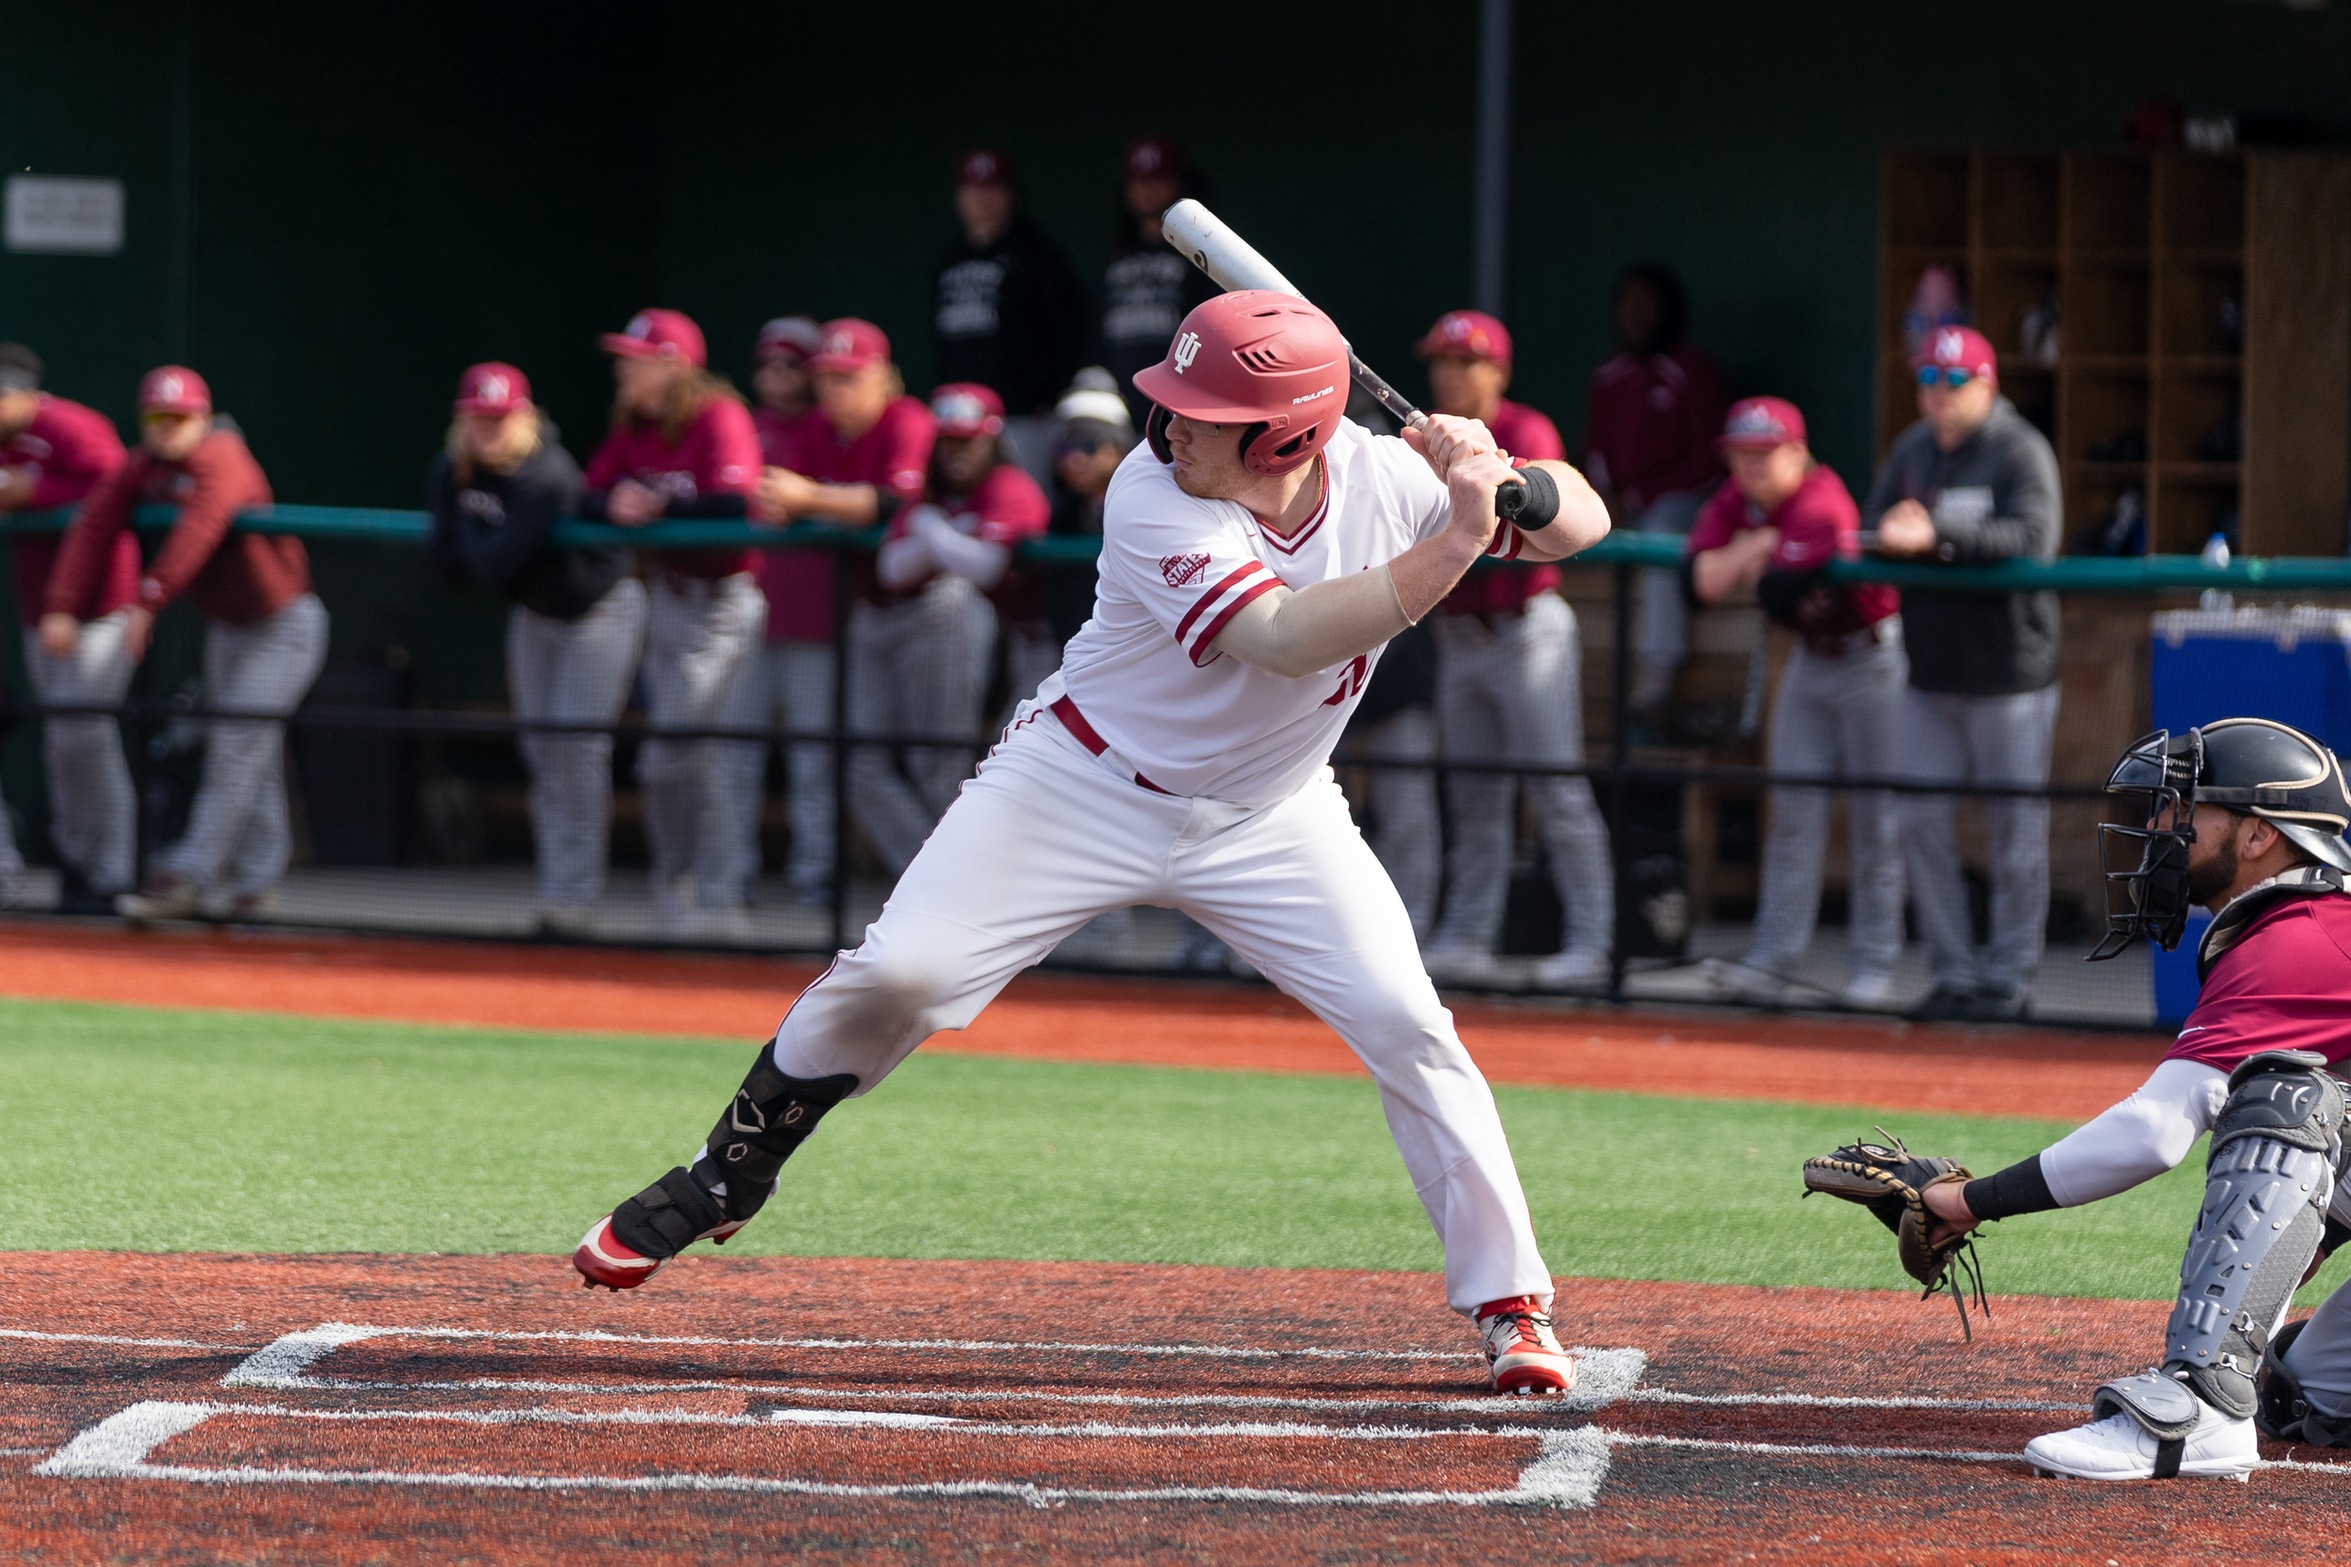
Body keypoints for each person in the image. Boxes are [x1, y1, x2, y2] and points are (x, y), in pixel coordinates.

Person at [572, 291, 1613, 1396]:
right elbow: (1286, 637)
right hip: (1077, 782)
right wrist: (1462, 529)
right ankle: (731, 1168)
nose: (1167, 426)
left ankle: (1509, 1300)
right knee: (902, 972)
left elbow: (1580, 524)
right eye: (1170, 402)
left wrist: (1504, 480)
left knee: (1410, 1023)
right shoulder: (1151, 495)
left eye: (1203, 413)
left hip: (1273, 813)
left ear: (1286, 435)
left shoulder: (1387, 478)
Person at [1909, 719, 2351, 1481]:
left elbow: (2151, 1131)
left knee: (2281, 1095)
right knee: (2309, 1391)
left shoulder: (2304, 937)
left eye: (2183, 811)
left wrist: (1966, 1200)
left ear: (2256, 837)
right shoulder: (2316, 923)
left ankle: (2202, 1405)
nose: (2157, 827)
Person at [48, 368, 326, 922]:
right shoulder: (148, 466)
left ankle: (190, 879)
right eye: (158, 417)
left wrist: (150, 600)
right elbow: (95, 521)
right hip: (229, 626)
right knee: (253, 753)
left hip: (281, 624)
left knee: (238, 747)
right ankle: (255, 884)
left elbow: (201, 525)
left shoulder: (223, 454)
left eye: (180, 417)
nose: (169, 428)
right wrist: (61, 601)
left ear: (202, 416)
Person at [1865, 326, 2061, 1021]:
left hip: (2009, 673)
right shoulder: (1912, 449)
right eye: (1927, 380)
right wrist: (1893, 529)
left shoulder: (2018, 448)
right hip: (1930, 668)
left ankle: (2008, 982)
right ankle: (1952, 973)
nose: (1938, 395)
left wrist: (1938, 536)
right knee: (1917, 820)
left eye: (1953, 381)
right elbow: (1876, 523)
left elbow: (2034, 540)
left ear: (1986, 383)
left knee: (2015, 837)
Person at [1415, 310, 1614, 989]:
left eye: (1463, 361)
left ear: (1496, 370)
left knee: (1556, 789)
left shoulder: (1527, 431)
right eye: (1440, 360)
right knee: (1473, 799)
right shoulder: (1419, 436)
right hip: (1459, 634)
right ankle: (1468, 936)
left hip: (1524, 630)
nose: (1448, 373)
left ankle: (1593, 944)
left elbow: (1511, 514)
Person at [1684, 397, 1904, 1009]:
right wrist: (1758, 546)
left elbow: (1781, 592)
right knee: (1791, 818)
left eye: (1764, 453)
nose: (1750, 467)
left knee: (1876, 820)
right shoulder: (1738, 500)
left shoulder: (1820, 498)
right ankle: (1773, 962)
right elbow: (1698, 584)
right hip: (1811, 659)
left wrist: (1753, 552)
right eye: (1740, 454)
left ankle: (1874, 969)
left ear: (1797, 453)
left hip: (1872, 659)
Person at [426, 362, 638, 939]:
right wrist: (467, 517)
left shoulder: (548, 474)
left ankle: (577, 901)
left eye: (500, 418)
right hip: (537, 615)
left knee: (575, 751)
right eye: (478, 417)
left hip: (598, 612)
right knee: (542, 752)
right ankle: (556, 894)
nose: (488, 429)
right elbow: (444, 565)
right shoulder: (456, 467)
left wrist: (464, 517)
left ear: (524, 418)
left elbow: (491, 564)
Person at [580, 309, 766, 942]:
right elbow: (586, 490)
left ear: (671, 364)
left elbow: (739, 502)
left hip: (725, 600)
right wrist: (612, 502)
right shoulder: (635, 424)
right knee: (678, 756)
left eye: (634, 358)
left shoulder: (718, 415)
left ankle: (717, 896)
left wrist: (662, 504)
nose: (621, 369)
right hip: (670, 596)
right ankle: (681, 893)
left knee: (692, 755)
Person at [755, 318, 938, 896]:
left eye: (848, 378)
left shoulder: (906, 418)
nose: (834, 390)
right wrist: (795, 502)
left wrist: (808, 499)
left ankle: (966, 888)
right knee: (856, 761)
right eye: (827, 378)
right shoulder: (819, 430)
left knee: (939, 760)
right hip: (869, 610)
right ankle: (933, 884)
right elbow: (782, 501)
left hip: (935, 606)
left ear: (882, 377)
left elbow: (896, 502)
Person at [851, 382, 1048, 876]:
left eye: (968, 440)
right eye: (947, 441)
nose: (956, 453)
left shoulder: (1008, 485)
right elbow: (891, 569)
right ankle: (939, 878)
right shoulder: (927, 495)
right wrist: (947, 539)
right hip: (950, 637)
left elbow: (983, 567)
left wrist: (933, 534)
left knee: (973, 771)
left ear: (992, 441)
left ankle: (973, 883)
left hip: (1044, 648)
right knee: (865, 767)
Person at [0, 343, 132, 913]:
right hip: (39, 611)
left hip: (101, 608)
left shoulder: (72, 425)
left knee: (84, 736)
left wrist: (32, 492)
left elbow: (117, 485)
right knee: (62, 744)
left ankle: (111, 870)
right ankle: (78, 866)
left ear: (21, 393)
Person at [1582, 264, 1727, 731]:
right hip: (1621, 507)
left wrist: (1638, 497)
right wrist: (1605, 498)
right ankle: (1591, 689)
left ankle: (1655, 683)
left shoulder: (1693, 371)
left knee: (1661, 529)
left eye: (1647, 305)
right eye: (1627, 307)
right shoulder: (1608, 376)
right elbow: (1595, 452)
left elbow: (1709, 463)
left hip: (1682, 508)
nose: (1636, 317)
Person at [740, 316, 832, 906]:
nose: (776, 377)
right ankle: (730, 879)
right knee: (732, 757)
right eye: (768, 365)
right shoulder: (744, 430)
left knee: (815, 763)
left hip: (818, 622)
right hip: (750, 621)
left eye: (789, 366)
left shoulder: (830, 429)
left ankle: (816, 879)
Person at [932, 148, 1087, 487]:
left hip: (1021, 417)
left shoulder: (1037, 255)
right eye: (972, 189)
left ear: (1011, 195)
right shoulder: (951, 260)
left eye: (992, 189)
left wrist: (1046, 396)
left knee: (1024, 506)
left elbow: (1068, 329)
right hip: (959, 417)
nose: (981, 199)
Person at [1098, 135, 1217, 429]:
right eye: (1138, 181)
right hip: (1120, 403)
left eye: (1157, 179)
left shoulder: (1203, 248)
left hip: (1179, 402)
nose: (1146, 190)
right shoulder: (1118, 252)